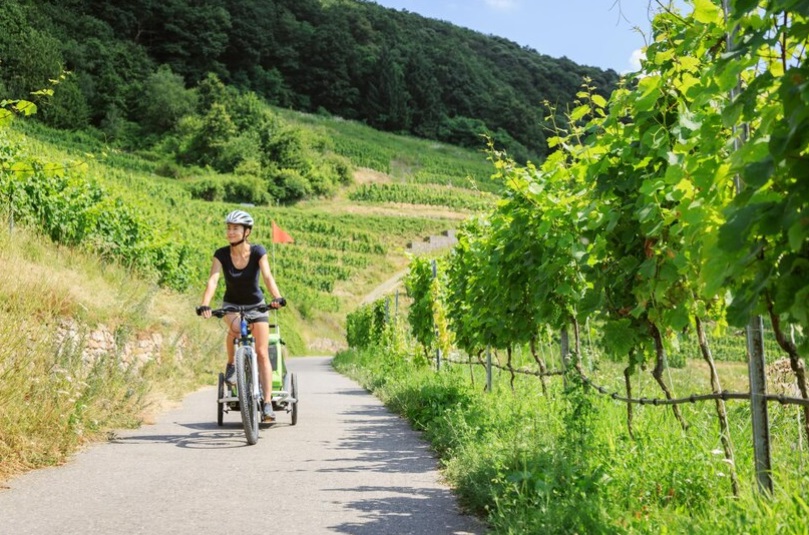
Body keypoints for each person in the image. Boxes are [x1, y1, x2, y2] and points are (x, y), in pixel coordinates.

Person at [198, 209, 286, 422]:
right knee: (236, 329)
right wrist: (205, 304)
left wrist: (277, 297)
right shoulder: (221, 254)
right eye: (228, 228)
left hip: (257, 304)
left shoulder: (258, 251)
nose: (230, 232)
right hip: (232, 305)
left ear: (247, 232)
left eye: (235, 228)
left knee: (263, 353)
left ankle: (266, 404)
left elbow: (266, 275)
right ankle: (231, 363)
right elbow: (213, 280)